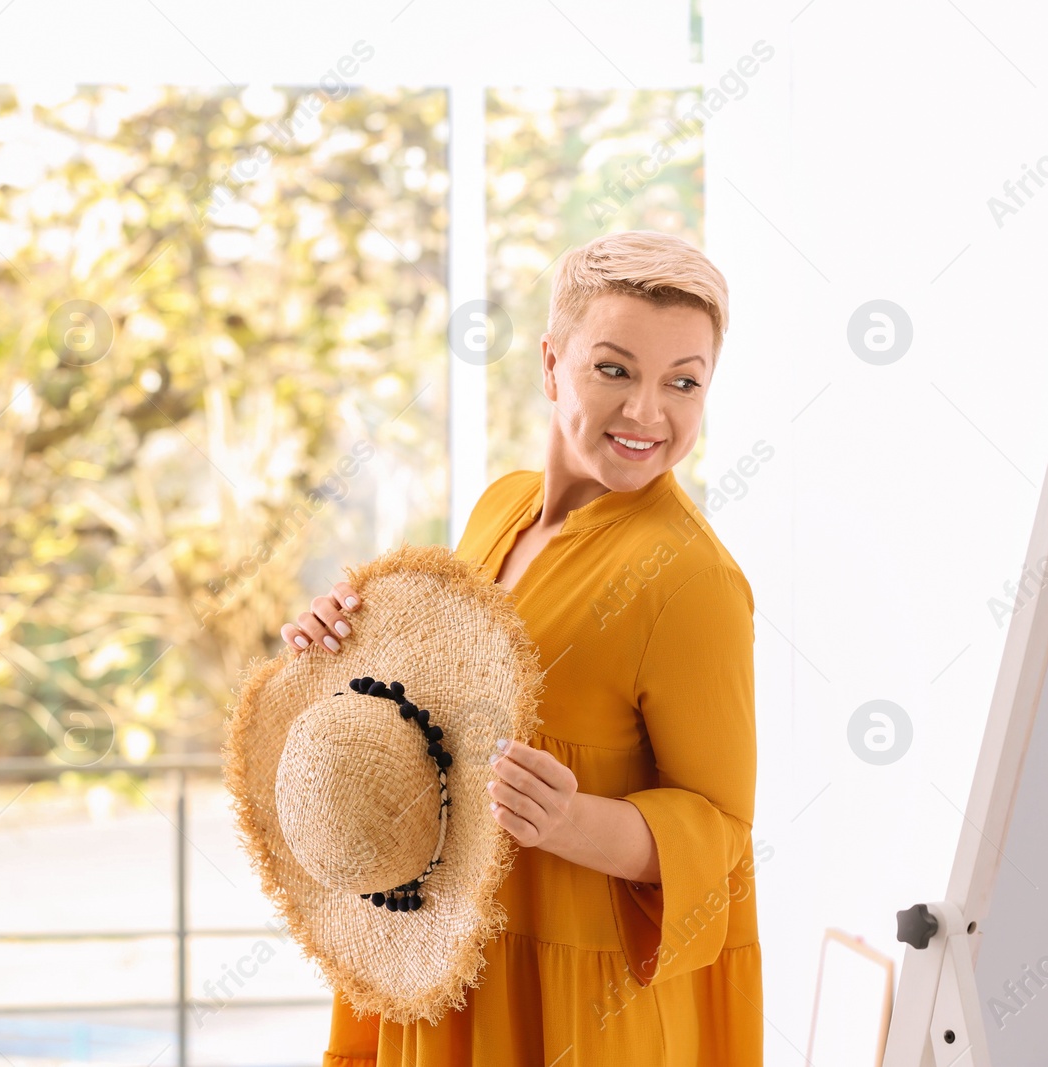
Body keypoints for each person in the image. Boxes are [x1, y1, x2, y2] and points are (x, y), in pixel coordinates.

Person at [281, 230, 764, 1066]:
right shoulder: (499, 507)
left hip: (579, 1006)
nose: (648, 412)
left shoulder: (692, 581)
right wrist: (337, 648)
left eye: (683, 382)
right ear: (550, 365)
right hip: (443, 953)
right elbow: (428, 712)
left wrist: (574, 821)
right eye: (613, 369)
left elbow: (719, 832)